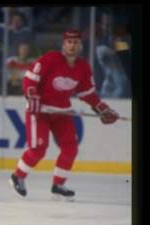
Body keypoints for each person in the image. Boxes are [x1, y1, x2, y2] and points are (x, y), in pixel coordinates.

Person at [8, 30, 120, 201]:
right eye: (69, 42)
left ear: (80, 46)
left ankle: (58, 185)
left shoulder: (83, 67)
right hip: (40, 111)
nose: (72, 45)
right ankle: (18, 176)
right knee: (38, 149)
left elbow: (87, 94)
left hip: (62, 112)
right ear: (64, 45)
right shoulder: (51, 59)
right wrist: (32, 96)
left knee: (71, 148)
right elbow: (30, 79)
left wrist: (102, 108)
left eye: (76, 42)